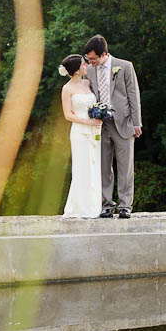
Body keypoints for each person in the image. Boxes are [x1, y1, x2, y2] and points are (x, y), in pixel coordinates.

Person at [83, 35, 142, 219]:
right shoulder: (90, 71)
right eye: (88, 59)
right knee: (103, 166)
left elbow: (133, 95)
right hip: (101, 125)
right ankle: (106, 204)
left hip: (123, 122)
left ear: (103, 54)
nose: (90, 62)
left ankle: (125, 205)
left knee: (125, 166)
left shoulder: (125, 66)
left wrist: (136, 122)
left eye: (92, 59)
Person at [59, 54, 103, 218]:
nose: (87, 66)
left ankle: (94, 206)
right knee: (81, 168)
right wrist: (88, 122)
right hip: (80, 131)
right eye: (84, 64)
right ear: (77, 70)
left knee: (93, 166)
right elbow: (68, 115)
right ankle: (81, 207)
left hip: (95, 131)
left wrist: (99, 117)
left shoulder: (87, 83)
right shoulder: (67, 89)